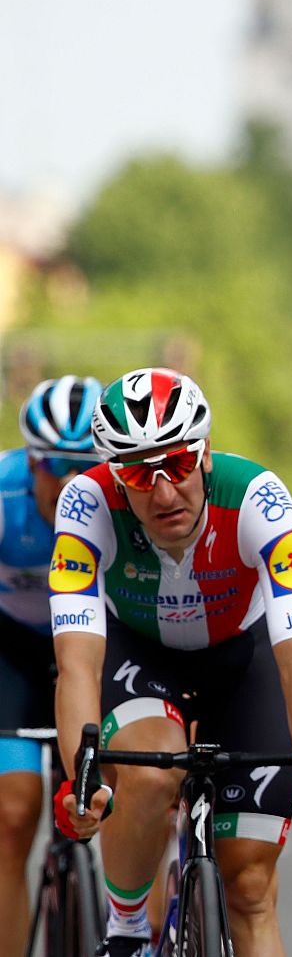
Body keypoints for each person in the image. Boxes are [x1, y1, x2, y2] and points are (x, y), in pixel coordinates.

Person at [48, 368, 292, 957]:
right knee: (149, 771)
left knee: (250, 885)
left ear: (206, 454)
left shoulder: (260, 498)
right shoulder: (85, 503)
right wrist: (81, 782)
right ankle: (128, 928)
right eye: (139, 473)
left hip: (245, 660)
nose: (164, 493)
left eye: (179, 464)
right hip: (141, 654)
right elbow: (79, 662)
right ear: (117, 477)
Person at [0, 376, 102, 956]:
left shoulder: (119, 502)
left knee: (128, 801)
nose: (70, 482)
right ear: (31, 462)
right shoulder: (3, 496)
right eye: (57, 466)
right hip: (12, 650)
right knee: (14, 816)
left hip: (91, 651)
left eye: (86, 465)